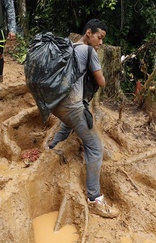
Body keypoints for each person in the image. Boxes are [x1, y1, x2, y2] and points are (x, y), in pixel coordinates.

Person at [46, 19, 119, 219]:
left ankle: (48, 151)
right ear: (89, 33)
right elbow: (102, 82)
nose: (101, 42)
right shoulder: (89, 52)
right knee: (96, 147)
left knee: (67, 124)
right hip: (74, 106)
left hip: (57, 105)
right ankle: (95, 199)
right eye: (99, 37)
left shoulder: (68, 46)